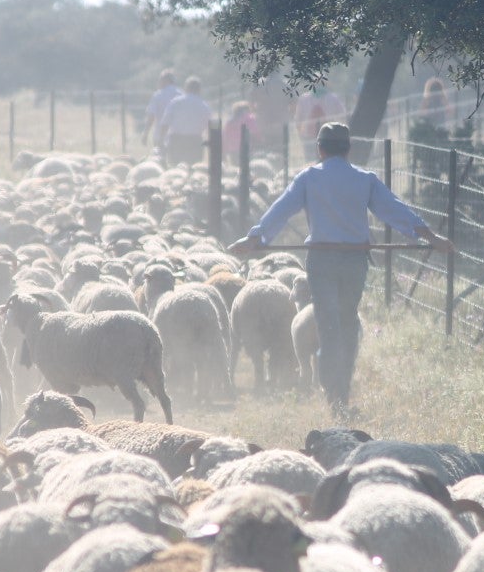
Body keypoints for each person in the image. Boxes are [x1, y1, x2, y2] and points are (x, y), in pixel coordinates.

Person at [228, 122, 455, 411]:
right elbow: (394, 209)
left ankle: (333, 397)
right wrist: (431, 237)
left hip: (321, 261)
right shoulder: (364, 179)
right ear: (348, 149)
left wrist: (254, 238)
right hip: (354, 261)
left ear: (319, 149)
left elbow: (281, 209)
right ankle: (342, 393)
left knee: (327, 326)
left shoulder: (309, 177)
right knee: (348, 323)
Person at [159, 76, 213, 167]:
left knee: (175, 167)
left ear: (186, 88)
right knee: (193, 168)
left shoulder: (175, 103)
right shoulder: (204, 106)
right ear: (199, 89)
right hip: (195, 141)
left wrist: (161, 140)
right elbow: (209, 127)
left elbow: (165, 122)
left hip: (176, 140)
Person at [294, 86, 346, 162]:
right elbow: (342, 117)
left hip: (309, 136)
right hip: (328, 136)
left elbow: (298, 119)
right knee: (327, 159)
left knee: (310, 161)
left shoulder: (304, 99)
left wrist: (300, 133)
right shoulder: (333, 98)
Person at [141, 69, 182, 145]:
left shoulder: (158, 95)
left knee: (160, 156)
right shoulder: (181, 95)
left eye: (160, 80)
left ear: (165, 80)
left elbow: (151, 117)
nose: (158, 82)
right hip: (178, 137)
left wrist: (145, 133)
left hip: (160, 137)